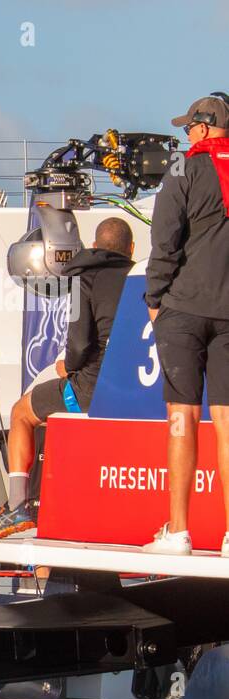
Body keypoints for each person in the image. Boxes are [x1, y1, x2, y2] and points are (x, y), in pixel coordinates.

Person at [0, 217, 135, 539]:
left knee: (21, 413)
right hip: (139, 388)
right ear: (131, 249)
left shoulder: (86, 277)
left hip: (94, 387)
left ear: (94, 246)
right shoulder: (142, 277)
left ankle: (18, 504)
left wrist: (70, 365)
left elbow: (79, 343)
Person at [144, 96, 229, 555]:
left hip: (184, 309)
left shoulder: (184, 168)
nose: (184, 136)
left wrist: (154, 297)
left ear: (202, 127)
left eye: (188, 128)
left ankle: (178, 531)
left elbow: (165, 238)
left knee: (182, 416)